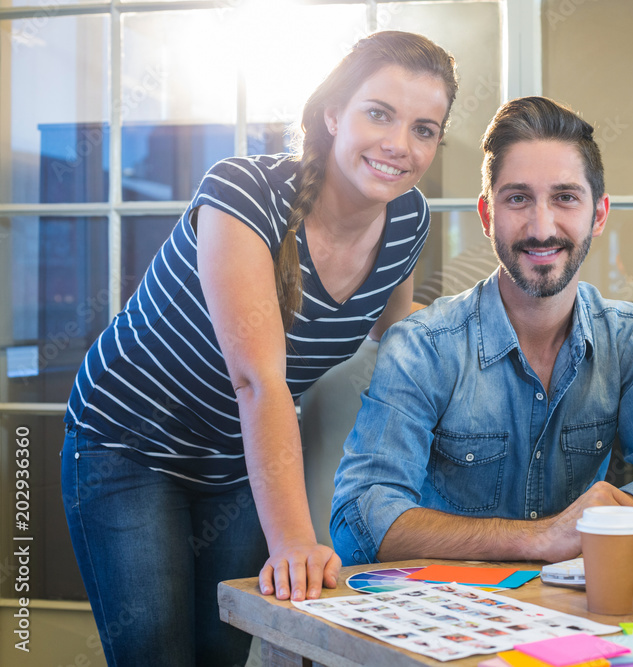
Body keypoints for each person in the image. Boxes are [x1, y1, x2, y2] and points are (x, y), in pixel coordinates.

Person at [61, 31, 458, 666]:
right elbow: (258, 380)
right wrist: (297, 540)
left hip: (240, 459)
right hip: (128, 445)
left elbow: (399, 335)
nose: (398, 145)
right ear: (333, 115)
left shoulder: (408, 218)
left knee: (224, 647)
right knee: (156, 651)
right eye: (378, 113)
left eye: (423, 128)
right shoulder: (244, 193)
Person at [330, 96, 633, 567]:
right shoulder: (423, 346)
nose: (542, 228)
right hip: (452, 616)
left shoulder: (632, 339)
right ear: (487, 216)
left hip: (581, 613)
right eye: (518, 198)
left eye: (565, 197)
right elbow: (359, 520)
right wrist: (540, 538)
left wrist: (601, 520)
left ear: (598, 215)